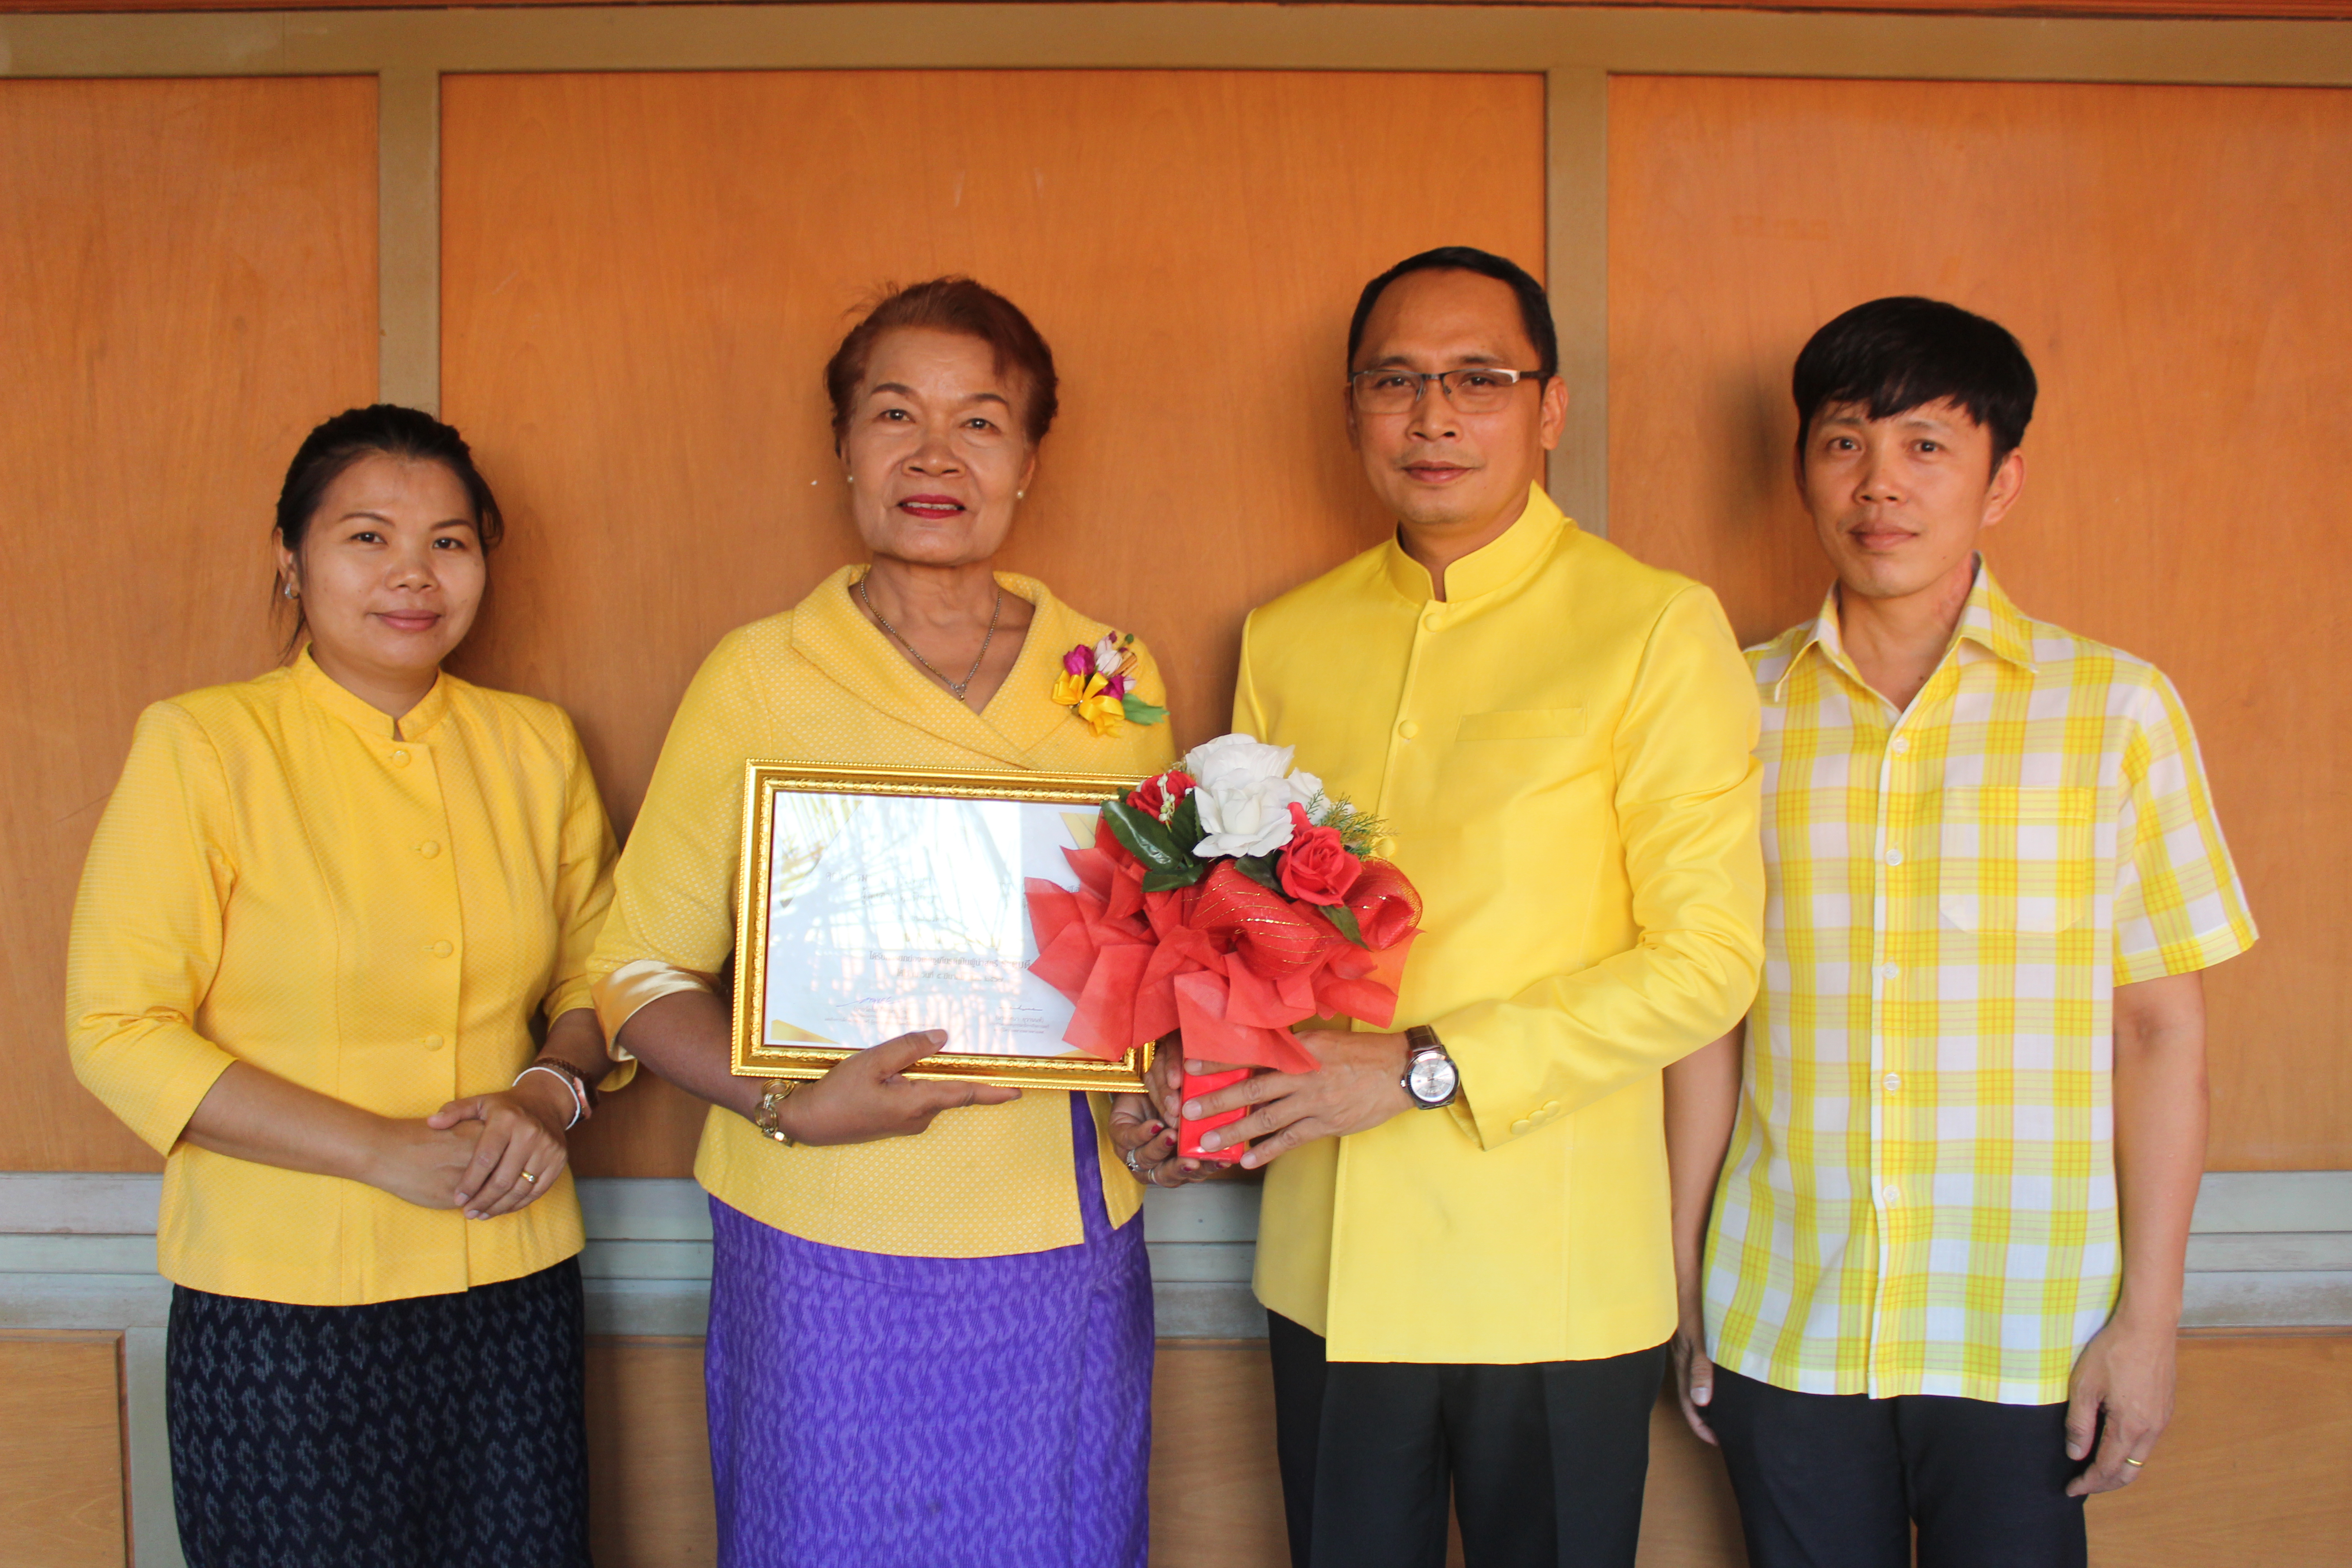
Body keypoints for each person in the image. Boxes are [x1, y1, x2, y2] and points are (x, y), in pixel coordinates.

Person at [1173, 246, 1764, 1568]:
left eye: (1478, 380)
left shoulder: (1655, 628)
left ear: (1549, 409)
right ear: (1352, 411)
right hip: (1330, 1262)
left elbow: (1708, 962)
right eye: (1397, 381)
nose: (1434, 415)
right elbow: (1245, 930)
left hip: (1547, 1274)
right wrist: (1190, 1075)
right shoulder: (1289, 635)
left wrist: (1427, 1069)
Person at [587, 277, 1179, 1568]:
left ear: (1031, 458)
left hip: (1057, 1255)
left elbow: (1156, 969)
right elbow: (631, 967)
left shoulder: (1116, 678)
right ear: (843, 449)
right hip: (818, 1252)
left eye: (979, 420)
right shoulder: (761, 676)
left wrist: (1161, 1096)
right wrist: (784, 1101)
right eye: (894, 413)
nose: (933, 453)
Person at [1668, 297, 2256, 1568]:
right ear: (1802, 469)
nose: (1880, 485)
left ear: (2002, 481)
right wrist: (1683, 1280)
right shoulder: (1729, 707)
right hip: (1785, 1316)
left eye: (1928, 445)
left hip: (2032, 1332)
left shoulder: (2116, 712)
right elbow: (1705, 1018)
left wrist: (2149, 1323)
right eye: (1844, 443)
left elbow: (2160, 1036)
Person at [65, 405, 624, 1568]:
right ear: (291, 557)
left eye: (450, 542)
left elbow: (600, 970)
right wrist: (379, 1150)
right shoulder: (204, 746)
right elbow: (119, 1029)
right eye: (367, 538)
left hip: (507, 1280)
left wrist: (546, 1094)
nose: (412, 575)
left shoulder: (536, 746)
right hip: (279, 1303)